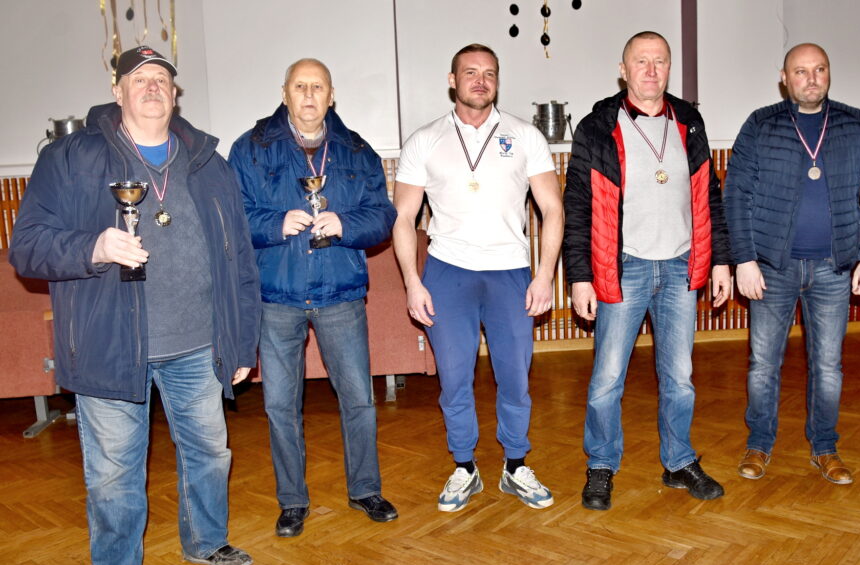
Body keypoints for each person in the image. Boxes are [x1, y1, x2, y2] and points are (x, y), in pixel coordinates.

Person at [9, 45, 259, 565]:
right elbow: (27, 247)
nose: (151, 86)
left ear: (175, 93)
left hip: (199, 342)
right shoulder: (71, 158)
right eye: (138, 78)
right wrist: (93, 247)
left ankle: (207, 541)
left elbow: (240, 259)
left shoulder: (208, 161)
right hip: (111, 344)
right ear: (117, 91)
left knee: (210, 452)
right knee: (116, 470)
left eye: (161, 79)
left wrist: (241, 339)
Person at [562, 31, 732, 511]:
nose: (651, 70)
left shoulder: (690, 122)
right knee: (606, 379)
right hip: (623, 268)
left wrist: (720, 259)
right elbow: (578, 206)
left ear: (669, 68)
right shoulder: (597, 126)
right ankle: (601, 464)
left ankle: (679, 461)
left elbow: (710, 195)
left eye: (660, 61)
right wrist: (579, 276)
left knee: (680, 377)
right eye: (641, 61)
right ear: (623, 70)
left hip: (680, 267)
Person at [229, 58, 399, 536]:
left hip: (340, 293)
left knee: (359, 399)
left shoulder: (356, 150)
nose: (308, 95)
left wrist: (345, 223)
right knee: (280, 405)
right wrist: (273, 223)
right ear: (284, 93)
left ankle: (365, 489)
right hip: (276, 296)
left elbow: (382, 216)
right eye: (300, 86)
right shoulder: (250, 149)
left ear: (331, 95)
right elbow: (231, 216)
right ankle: (292, 501)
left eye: (317, 87)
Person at [392, 44, 564, 512]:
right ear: (453, 80)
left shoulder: (525, 136)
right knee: (454, 379)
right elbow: (403, 218)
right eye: (470, 72)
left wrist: (545, 275)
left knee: (515, 378)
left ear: (497, 81)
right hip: (448, 273)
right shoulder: (425, 139)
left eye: (489, 73)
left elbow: (552, 208)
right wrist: (412, 282)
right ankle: (465, 467)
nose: (480, 81)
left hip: (510, 273)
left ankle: (515, 465)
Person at [724, 43, 860, 484]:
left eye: (819, 69)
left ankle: (825, 447)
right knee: (763, 365)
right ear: (784, 78)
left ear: (829, 73)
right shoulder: (761, 124)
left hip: (835, 268)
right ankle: (759, 443)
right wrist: (744, 259)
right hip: (772, 267)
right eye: (801, 71)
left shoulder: (857, 125)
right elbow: (736, 193)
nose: (811, 79)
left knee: (829, 367)